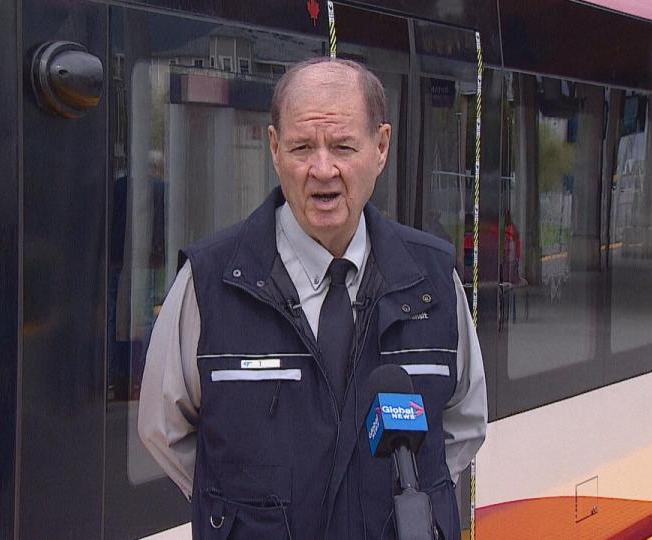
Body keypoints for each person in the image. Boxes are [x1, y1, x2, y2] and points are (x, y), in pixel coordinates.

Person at [138, 57, 487, 539]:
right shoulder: (210, 281)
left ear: (381, 147)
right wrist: (244, 510)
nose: (323, 170)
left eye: (343, 146)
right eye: (302, 147)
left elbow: (464, 422)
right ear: (275, 149)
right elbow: (164, 429)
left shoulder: (432, 278)